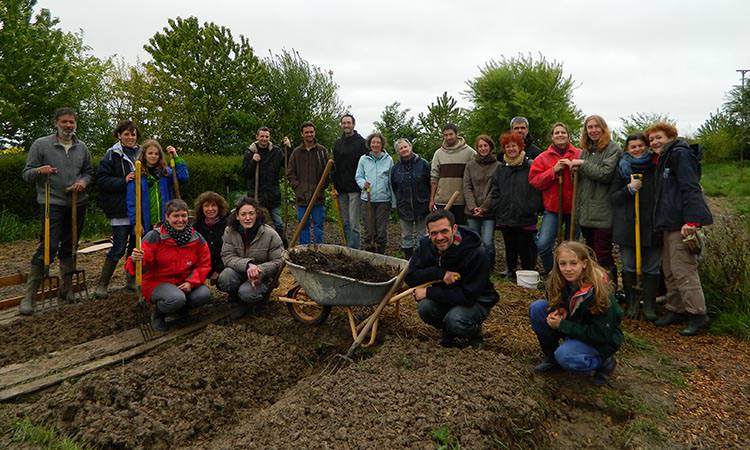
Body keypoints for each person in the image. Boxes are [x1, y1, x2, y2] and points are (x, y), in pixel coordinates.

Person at [20, 107, 94, 314]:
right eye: (64, 122)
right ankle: (30, 297)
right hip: (51, 202)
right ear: (56, 123)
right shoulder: (41, 145)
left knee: (70, 245)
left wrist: (83, 182)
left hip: (77, 203)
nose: (68, 126)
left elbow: (89, 172)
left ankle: (66, 289)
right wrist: (38, 171)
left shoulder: (82, 147)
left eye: (71, 122)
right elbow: (26, 174)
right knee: (48, 247)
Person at [647, 122, 713, 336]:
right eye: (652, 139)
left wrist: (692, 221)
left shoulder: (680, 154)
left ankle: (698, 314)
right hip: (669, 223)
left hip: (682, 224)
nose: (655, 142)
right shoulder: (665, 158)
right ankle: (675, 308)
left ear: (670, 136)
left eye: (659, 137)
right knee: (669, 268)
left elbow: (690, 187)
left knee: (684, 269)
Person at [529, 241, 623, 386]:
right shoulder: (558, 280)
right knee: (537, 308)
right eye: (563, 264)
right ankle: (551, 358)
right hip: (574, 326)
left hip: (599, 339)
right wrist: (560, 310)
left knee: (566, 355)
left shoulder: (599, 291)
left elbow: (600, 334)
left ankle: (604, 362)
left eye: (573, 263)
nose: (568, 269)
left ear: (584, 263)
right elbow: (558, 302)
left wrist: (562, 325)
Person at [405, 209, 499, 349]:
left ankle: (473, 332)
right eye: (434, 233)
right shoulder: (426, 246)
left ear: (454, 229)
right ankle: (448, 331)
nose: (440, 237)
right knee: (425, 308)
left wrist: (428, 293)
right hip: (446, 296)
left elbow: (468, 296)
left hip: (475, 300)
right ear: (428, 232)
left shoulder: (475, 253)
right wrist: (439, 273)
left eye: (444, 231)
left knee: (455, 320)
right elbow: (411, 276)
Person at [125, 199, 212, 332]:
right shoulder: (154, 237)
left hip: (183, 281)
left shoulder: (196, 238)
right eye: (176, 216)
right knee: (175, 298)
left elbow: (204, 264)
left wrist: (191, 282)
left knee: (204, 294)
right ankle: (158, 314)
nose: (180, 220)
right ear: (167, 217)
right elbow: (140, 267)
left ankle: (180, 311)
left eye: (183, 216)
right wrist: (136, 260)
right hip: (157, 282)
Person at [567, 115, 622, 289]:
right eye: (589, 127)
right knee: (590, 253)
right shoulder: (586, 150)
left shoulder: (613, 149)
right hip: (586, 211)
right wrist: (574, 170)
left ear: (604, 128)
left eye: (596, 126)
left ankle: (610, 289)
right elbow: (583, 179)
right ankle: (594, 287)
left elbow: (605, 174)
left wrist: (582, 164)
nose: (593, 130)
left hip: (602, 210)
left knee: (603, 253)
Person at [610, 133, 661, 321]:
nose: (637, 149)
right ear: (627, 150)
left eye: (641, 145)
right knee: (629, 264)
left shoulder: (656, 167)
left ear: (647, 147)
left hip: (653, 225)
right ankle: (632, 303)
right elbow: (613, 198)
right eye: (633, 147)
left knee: (652, 266)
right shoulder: (622, 169)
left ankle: (649, 305)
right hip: (628, 225)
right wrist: (629, 189)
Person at [93, 120, 141, 298]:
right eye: (126, 134)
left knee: (135, 248)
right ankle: (102, 284)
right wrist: (123, 180)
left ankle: (130, 280)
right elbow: (102, 181)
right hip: (120, 209)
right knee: (119, 246)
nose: (130, 137)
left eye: (133, 134)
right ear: (119, 135)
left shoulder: (142, 153)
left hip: (138, 209)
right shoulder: (112, 155)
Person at [217, 197, 284, 318]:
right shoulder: (230, 231)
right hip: (240, 271)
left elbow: (279, 260)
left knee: (247, 293)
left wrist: (259, 270)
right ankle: (236, 298)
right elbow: (227, 256)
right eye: (243, 214)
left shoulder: (270, 234)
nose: (247, 218)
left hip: (262, 277)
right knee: (225, 278)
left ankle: (257, 300)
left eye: (251, 213)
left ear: (257, 214)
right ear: (237, 216)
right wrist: (248, 265)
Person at [528, 122, 581, 274]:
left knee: (572, 247)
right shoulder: (543, 158)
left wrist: (575, 169)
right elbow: (534, 181)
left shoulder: (578, 154)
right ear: (552, 137)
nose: (560, 135)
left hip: (573, 208)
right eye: (556, 133)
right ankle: (553, 273)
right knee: (543, 245)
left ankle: (571, 275)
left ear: (568, 135)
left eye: (563, 132)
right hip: (552, 208)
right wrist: (553, 171)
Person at [491, 132, 542, 277]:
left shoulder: (530, 166)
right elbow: (495, 190)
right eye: (508, 146)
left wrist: (531, 208)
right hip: (506, 215)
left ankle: (528, 274)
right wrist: (498, 207)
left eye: (514, 146)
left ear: (520, 147)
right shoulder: (501, 169)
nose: (511, 149)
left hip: (525, 215)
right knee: (510, 246)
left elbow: (536, 189)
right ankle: (511, 271)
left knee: (526, 247)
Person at [126, 139, 188, 231]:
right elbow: (131, 202)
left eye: (156, 154)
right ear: (144, 155)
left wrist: (176, 156)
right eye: (150, 153)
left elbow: (183, 177)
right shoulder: (137, 176)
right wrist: (136, 223)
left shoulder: (166, 173)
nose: (153, 156)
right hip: (146, 222)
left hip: (166, 221)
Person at [242, 127, 288, 242]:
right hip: (256, 195)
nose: (264, 139)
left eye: (266, 136)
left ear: (269, 137)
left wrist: (288, 148)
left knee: (279, 223)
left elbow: (288, 163)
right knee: (257, 223)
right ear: (257, 137)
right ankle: (258, 244)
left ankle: (281, 244)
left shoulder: (276, 152)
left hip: (273, 194)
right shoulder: (250, 152)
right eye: (262, 136)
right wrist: (253, 161)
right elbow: (246, 173)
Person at [286, 121, 329, 244]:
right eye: (306, 132)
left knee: (318, 226)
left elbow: (328, 172)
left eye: (311, 132)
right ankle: (304, 251)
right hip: (302, 197)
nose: (309, 134)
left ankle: (319, 250)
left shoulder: (322, 151)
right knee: (302, 225)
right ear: (302, 134)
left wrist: (321, 188)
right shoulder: (296, 153)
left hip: (318, 197)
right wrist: (298, 187)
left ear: (314, 133)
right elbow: (290, 173)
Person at [332, 114, 368, 248]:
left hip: (355, 188)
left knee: (354, 224)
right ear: (341, 125)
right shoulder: (338, 144)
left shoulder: (362, 143)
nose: (346, 125)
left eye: (349, 123)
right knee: (345, 222)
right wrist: (334, 186)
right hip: (341, 189)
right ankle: (348, 248)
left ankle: (355, 250)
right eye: (344, 123)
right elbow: (334, 166)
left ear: (354, 124)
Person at [391, 138, 430, 259]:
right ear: (398, 152)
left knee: (422, 235)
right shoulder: (396, 169)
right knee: (406, 236)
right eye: (400, 148)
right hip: (404, 206)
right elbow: (394, 186)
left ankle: (422, 259)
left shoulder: (423, 164)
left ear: (410, 147)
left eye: (405, 147)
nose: (404, 150)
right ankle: (409, 261)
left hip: (422, 205)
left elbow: (430, 183)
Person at [463, 134, 499, 267]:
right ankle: (476, 265)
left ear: (490, 147)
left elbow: (495, 189)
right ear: (477, 148)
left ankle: (489, 266)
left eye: (485, 145)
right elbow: (466, 186)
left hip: (489, 211)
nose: (483, 148)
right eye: (480, 146)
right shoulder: (470, 165)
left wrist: (484, 208)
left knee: (488, 241)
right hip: (472, 210)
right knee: (474, 240)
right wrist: (473, 207)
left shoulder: (498, 166)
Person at [429, 123, 476, 225]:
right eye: (445, 135)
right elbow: (434, 177)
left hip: (462, 201)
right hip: (441, 201)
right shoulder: (438, 154)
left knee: (461, 231)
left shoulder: (470, 152)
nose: (448, 137)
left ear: (457, 134)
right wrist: (432, 199)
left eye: (451, 134)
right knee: (443, 230)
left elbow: (475, 176)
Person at [355, 132, 394, 254]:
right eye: (373, 142)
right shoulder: (363, 159)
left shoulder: (388, 160)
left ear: (382, 144)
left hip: (383, 200)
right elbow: (358, 176)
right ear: (369, 144)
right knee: (368, 230)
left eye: (378, 142)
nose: (375, 144)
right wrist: (363, 184)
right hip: (367, 199)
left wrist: (393, 200)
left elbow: (391, 180)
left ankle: (380, 254)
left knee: (381, 231)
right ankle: (368, 254)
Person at [193, 191, 231, 284]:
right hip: (202, 266)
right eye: (206, 206)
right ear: (201, 208)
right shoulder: (196, 226)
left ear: (219, 207)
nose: (210, 209)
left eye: (213, 205)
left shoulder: (228, 225)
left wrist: (219, 269)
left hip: (224, 266)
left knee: (226, 280)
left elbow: (232, 251)